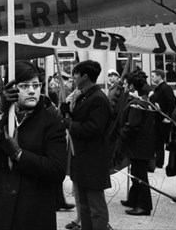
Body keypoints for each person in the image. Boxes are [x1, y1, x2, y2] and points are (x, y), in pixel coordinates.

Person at [0, 62, 66, 229]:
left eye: (36, 85)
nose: (32, 90)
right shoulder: (2, 117)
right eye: (24, 86)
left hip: (30, 210)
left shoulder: (51, 122)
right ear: (11, 89)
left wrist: (19, 154)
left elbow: (56, 170)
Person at [60, 60, 112, 230]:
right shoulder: (84, 95)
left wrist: (70, 124)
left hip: (93, 158)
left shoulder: (99, 99)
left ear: (85, 76)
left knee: (95, 204)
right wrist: (67, 111)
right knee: (83, 203)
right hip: (81, 157)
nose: (73, 77)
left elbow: (94, 128)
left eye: (76, 73)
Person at [119, 72, 157, 216]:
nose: (123, 86)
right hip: (143, 145)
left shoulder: (137, 104)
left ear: (132, 86)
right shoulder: (144, 100)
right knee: (136, 172)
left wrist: (121, 136)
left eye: (125, 83)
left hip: (139, 146)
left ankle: (143, 206)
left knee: (139, 175)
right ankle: (133, 199)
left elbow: (132, 126)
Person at [149, 69, 176, 168]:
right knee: (157, 141)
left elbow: (173, 102)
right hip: (158, 118)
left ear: (159, 76)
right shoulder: (158, 88)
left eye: (153, 76)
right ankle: (158, 162)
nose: (151, 78)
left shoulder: (166, 88)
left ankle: (159, 162)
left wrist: (168, 116)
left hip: (162, 119)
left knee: (159, 141)